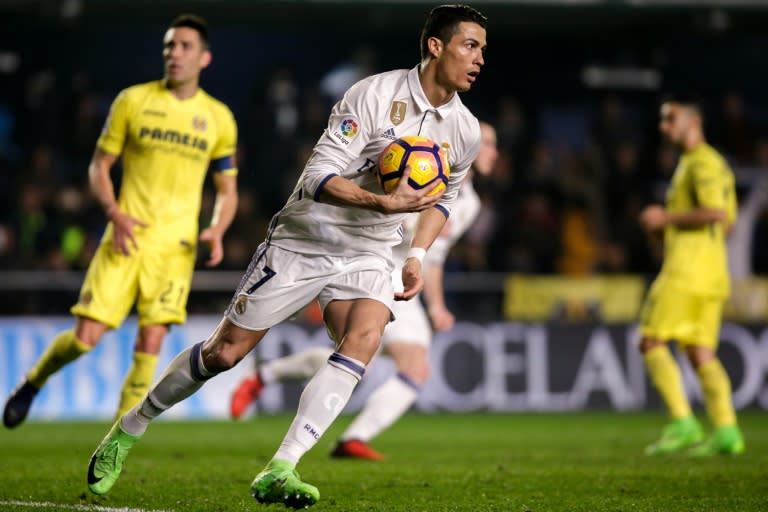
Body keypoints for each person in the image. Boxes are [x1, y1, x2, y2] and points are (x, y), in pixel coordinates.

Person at [85, 4, 487, 508]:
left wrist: (417, 253)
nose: (478, 60)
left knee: (364, 335)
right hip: (307, 237)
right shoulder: (372, 96)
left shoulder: (465, 130)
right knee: (223, 353)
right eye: (470, 46)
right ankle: (131, 425)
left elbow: (443, 199)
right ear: (436, 46)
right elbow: (318, 177)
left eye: (482, 51)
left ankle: (282, 466)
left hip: (373, 249)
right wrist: (381, 201)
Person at [3, 14, 239, 429]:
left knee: (151, 340)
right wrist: (114, 213)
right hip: (125, 238)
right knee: (85, 338)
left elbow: (227, 190)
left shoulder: (218, 118)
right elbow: (99, 166)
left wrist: (217, 229)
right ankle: (32, 382)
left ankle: (114, 439)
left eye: (185, 46)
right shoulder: (134, 101)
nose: (175, 54)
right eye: (169, 46)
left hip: (175, 248)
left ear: (205, 58)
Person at [229, 121, 499, 461]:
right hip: (370, 267)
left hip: (405, 281)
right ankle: (334, 433)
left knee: (382, 363)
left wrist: (437, 306)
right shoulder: (414, 168)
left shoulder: (469, 204)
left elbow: (434, 257)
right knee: (374, 360)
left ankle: (325, 419)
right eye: (487, 143)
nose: (493, 152)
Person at [638, 92, 744, 456]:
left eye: (671, 119)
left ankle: (683, 422)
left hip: (686, 272)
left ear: (693, 122)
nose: (664, 126)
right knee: (701, 353)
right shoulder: (714, 164)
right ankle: (727, 430)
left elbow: (714, 212)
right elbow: (727, 221)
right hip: (714, 273)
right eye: (663, 120)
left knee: (650, 341)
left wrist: (665, 219)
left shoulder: (701, 162)